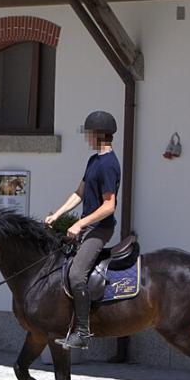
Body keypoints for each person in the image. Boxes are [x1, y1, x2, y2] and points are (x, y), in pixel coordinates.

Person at [43, 110, 121, 350]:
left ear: (99, 134)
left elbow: (110, 205)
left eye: (89, 133)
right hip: (88, 226)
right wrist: (58, 214)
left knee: (77, 274)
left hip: (99, 229)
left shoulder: (109, 164)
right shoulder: (93, 161)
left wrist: (80, 223)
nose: (87, 138)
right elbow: (79, 193)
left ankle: (83, 333)